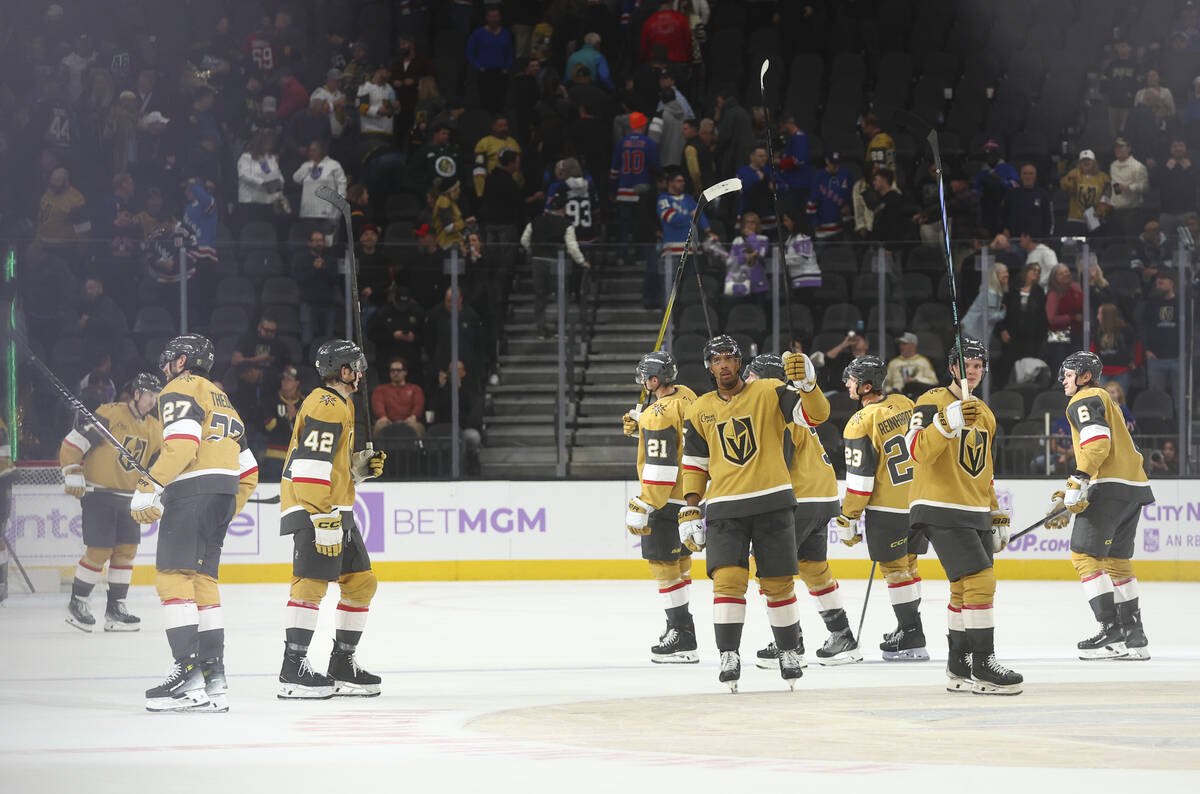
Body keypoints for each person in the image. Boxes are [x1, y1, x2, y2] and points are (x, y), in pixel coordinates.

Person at [680, 335, 826, 691]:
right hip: (724, 508)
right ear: (708, 366)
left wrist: (808, 385)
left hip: (773, 502)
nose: (724, 365)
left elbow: (816, 415)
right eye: (717, 360)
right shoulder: (699, 409)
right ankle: (729, 654)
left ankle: (789, 650)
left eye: (730, 358)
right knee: (727, 582)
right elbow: (695, 464)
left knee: (778, 584)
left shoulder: (771, 391)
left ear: (740, 362)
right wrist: (689, 506)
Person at [129, 335, 259, 712]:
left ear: (183, 360)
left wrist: (148, 486)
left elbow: (183, 446)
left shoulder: (177, 388)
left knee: (172, 577)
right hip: (222, 494)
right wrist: (221, 508)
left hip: (192, 494)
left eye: (170, 360)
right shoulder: (225, 401)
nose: (165, 367)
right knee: (203, 581)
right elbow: (249, 471)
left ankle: (187, 679)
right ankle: (213, 677)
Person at [905, 338, 1021, 695]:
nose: (973, 371)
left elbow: (984, 471)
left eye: (978, 365)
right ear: (953, 368)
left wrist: (996, 513)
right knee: (981, 581)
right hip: (939, 505)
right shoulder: (930, 401)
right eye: (966, 364)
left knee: (962, 588)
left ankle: (960, 665)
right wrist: (947, 422)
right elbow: (914, 451)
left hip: (974, 510)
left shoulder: (985, 413)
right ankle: (984, 664)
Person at [277, 340, 387, 699]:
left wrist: (356, 471)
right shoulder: (326, 405)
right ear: (343, 372)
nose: (360, 372)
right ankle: (293, 669)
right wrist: (322, 517)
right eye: (356, 366)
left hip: (336, 507)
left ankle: (342, 664)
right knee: (310, 585)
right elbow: (309, 468)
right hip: (316, 508)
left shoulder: (341, 403)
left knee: (361, 582)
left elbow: (329, 463)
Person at [744, 354, 860, 669]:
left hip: (800, 499)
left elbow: (775, 465)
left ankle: (790, 643)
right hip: (823, 497)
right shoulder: (790, 407)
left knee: (771, 572)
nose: (745, 382)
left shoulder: (773, 411)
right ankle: (843, 637)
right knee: (813, 568)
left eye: (751, 376)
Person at [1044, 351, 1155, 661]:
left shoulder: (1084, 398)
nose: (1063, 380)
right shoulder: (1106, 398)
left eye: (1068, 374)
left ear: (1085, 375)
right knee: (1117, 562)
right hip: (1133, 486)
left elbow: (1097, 442)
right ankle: (1134, 638)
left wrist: (1078, 480)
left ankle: (1111, 630)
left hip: (1108, 485)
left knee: (1084, 556)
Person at [834, 355, 925, 660]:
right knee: (909, 565)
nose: (847, 384)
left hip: (888, 509)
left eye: (852, 380)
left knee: (895, 570)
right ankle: (910, 628)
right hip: (918, 501)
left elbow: (860, 483)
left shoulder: (859, 423)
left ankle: (912, 635)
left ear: (866, 386)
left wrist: (848, 516)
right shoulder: (904, 403)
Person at [60, 373, 163, 632]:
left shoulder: (155, 429)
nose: (153, 401)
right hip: (100, 495)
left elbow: (159, 466)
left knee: (126, 551)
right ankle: (78, 603)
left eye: (156, 397)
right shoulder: (109, 414)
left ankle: (116, 609)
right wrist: (72, 470)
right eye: (149, 395)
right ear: (137, 393)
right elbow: (73, 443)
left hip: (129, 499)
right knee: (99, 551)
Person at [621, 351, 699, 662]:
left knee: (663, 568)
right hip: (689, 493)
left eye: (645, 377)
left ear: (655, 381)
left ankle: (680, 634)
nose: (642, 381)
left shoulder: (658, 414)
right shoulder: (687, 396)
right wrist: (642, 423)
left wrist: (645, 502)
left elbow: (661, 464)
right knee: (680, 565)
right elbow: (679, 437)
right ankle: (683, 630)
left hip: (665, 498)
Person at [520, 191, 589, 338]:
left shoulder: (536, 220)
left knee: (540, 296)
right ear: (563, 209)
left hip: (537, 262)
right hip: (556, 262)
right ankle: (560, 330)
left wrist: (533, 251)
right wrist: (582, 262)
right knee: (561, 296)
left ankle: (541, 330)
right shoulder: (566, 224)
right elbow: (572, 247)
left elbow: (524, 240)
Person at [611, 112, 661, 244]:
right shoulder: (649, 143)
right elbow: (655, 166)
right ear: (644, 125)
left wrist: (612, 191)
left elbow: (614, 170)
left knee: (623, 227)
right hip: (641, 193)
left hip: (623, 192)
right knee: (641, 226)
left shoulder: (621, 143)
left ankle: (623, 255)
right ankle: (640, 254)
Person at [1139, 271, 1181, 397]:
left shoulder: (1181, 303)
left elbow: (1188, 328)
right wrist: (1146, 349)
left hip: (1177, 357)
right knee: (1156, 396)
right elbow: (1144, 327)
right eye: (1157, 283)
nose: (1158, 286)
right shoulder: (1151, 304)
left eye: (1161, 283)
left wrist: (1184, 352)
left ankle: (1179, 417)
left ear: (1171, 283)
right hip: (1155, 358)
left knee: (1180, 396)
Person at [292, 140, 346, 232]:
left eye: (314, 150)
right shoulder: (306, 165)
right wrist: (309, 168)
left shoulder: (333, 165)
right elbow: (296, 179)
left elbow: (342, 185)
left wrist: (339, 205)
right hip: (309, 212)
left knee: (327, 241)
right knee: (311, 240)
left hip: (328, 211)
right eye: (310, 150)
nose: (311, 153)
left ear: (322, 150)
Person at [262, 365, 305, 482]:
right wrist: (288, 417)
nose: (284, 382)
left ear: (297, 383)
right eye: (283, 379)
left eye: (289, 379)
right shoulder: (272, 399)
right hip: (274, 455)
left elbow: (306, 432)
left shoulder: (304, 403)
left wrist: (296, 417)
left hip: (296, 457)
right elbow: (269, 425)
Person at [1060, 150, 1110, 236]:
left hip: (1095, 219)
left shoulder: (1103, 177)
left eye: (1088, 160)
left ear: (1094, 162)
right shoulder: (1074, 174)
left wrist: (1101, 211)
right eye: (1083, 160)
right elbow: (1064, 187)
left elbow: (1107, 196)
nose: (1086, 162)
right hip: (1076, 219)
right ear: (1079, 163)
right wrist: (1069, 178)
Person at [371, 357, 425, 435]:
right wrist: (382, 416)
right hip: (388, 422)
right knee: (380, 426)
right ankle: (378, 447)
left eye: (399, 370)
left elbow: (418, 405)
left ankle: (419, 447)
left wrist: (413, 417)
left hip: (409, 422)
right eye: (392, 371)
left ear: (405, 372)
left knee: (417, 427)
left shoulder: (415, 389)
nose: (395, 373)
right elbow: (378, 404)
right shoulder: (380, 389)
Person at [806, 151, 852, 239]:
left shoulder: (845, 174)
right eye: (833, 164)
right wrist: (814, 223)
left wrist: (849, 208)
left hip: (842, 228)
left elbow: (851, 196)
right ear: (827, 161)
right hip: (823, 230)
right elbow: (811, 203)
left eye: (838, 164)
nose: (836, 167)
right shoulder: (818, 176)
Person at [1001, 164, 1054, 239]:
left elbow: (1048, 219)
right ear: (1021, 176)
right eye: (1025, 173)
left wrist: (1046, 239)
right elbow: (1004, 215)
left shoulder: (1043, 195)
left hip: (1036, 240)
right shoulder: (1012, 194)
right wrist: (1005, 229)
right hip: (1016, 239)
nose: (1028, 177)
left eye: (1031, 173)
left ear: (1035, 176)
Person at [884, 333, 937, 399]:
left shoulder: (923, 361)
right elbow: (885, 384)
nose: (901, 347)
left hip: (919, 398)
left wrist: (916, 380)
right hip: (896, 399)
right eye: (900, 344)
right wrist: (891, 391)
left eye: (904, 344)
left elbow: (934, 382)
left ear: (913, 345)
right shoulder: (893, 363)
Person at [356, 65, 396, 138]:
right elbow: (360, 107)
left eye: (390, 72)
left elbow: (394, 105)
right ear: (378, 71)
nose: (389, 74)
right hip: (370, 130)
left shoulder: (389, 88)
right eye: (387, 71)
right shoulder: (365, 87)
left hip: (387, 131)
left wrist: (396, 107)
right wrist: (378, 110)